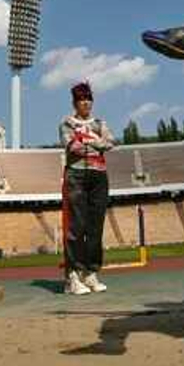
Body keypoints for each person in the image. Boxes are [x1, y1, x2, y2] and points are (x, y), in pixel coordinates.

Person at [59, 82, 115, 295]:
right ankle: (73, 275)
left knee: (95, 227)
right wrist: (94, 141)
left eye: (89, 99)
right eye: (82, 99)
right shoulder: (67, 123)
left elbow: (110, 143)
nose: (86, 103)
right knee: (77, 226)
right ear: (75, 102)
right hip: (77, 175)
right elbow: (73, 146)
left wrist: (88, 141)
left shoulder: (100, 122)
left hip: (99, 175)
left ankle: (90, 273)